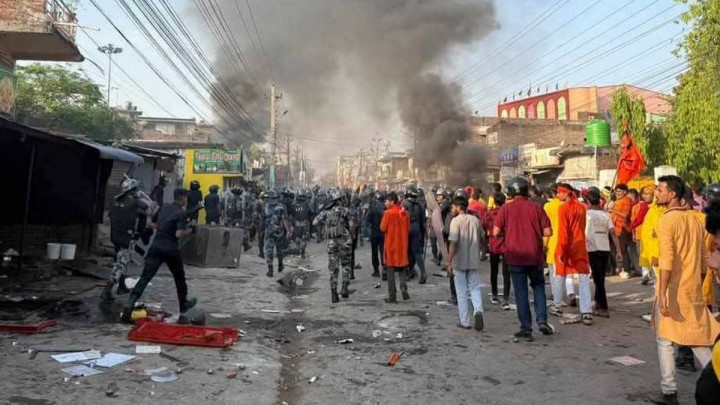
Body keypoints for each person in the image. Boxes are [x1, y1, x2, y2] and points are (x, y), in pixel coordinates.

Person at [648, 175, 720, 405]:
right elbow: (704, 260)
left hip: (673, 290)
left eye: (660, 189)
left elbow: (667, 260)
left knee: (665, 341)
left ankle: (669, 391)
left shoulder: (667, 220)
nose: (656, 193)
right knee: (698, 340)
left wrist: (662, 292)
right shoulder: (695, 220)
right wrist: (699, 283)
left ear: (672, 195)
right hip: (692, 289)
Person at [121, 188, 197, 323]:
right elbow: (178, 234)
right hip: (171, 249)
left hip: (156, 248)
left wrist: (162, 227)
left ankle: (130, 303)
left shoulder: (163, 208)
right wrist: (190, 230)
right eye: (186, 197)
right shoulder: (181, 212)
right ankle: (183, 305)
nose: (186, 199)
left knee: (145, 277)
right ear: (182, 198)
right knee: (179, 277)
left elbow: (150, 224)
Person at [493, 176, 555, 342]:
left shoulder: (505, 209)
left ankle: (526, 329)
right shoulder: (536, 207)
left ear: (510, 193)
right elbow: (548, 232)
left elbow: (495, 232)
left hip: (515, 256)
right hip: (534, 255)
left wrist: (510, 231)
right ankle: (542, 321)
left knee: (521, 293)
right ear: (526, 190)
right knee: (538, 287)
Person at [103, 178, 151, 301]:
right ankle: (107, 290)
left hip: (115, 236)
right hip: (126, 237)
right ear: (133, 190)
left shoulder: (116, 201)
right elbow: (146, 210)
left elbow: (111, 217)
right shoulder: (135, 203)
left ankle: (122, 286)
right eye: (136, 189)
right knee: (121, 263)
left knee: (119, 259)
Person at [550, 184, 593, 325]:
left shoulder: (562, 208)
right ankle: (586, 312)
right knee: (583, 277)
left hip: (566, 245)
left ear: (566, 193)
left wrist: (562, 251)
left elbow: (563, 231)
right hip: (579, 244)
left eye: (560, 192)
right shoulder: (582, 208)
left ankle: (557, 305)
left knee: (560, 275)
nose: (558, 195)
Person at [448, 195, 485, 331]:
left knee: (461, 291)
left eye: (453, 207)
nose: (452, 209)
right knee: (475, 288)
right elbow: (483, 237)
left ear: (459, 207)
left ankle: (464, 321)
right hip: (473, 260)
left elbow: (453, 243)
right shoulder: (475, 220)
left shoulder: (455, 221)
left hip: (459, 261)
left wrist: (449, 260)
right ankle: (478, 310)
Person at [313, 191, 356, 303]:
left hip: (331, 243)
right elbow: (351, 224)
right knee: (346, 264)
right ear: (340, 200)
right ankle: (345, 287)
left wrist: (325, 226)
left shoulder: (326, 212)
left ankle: (334, 294)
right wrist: (352, 234)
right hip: (344, 241)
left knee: (333, 268)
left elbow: (314, 222)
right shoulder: (346, 210)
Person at [585, 189, 622, 318]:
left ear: (588, 202)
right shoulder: (606, 215)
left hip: (592, 249)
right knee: (600, 278)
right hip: (605, 249)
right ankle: (597, 303)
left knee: (598, 280)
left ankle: (604, 308)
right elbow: (613, 233)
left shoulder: (586, 215)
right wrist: (618, 250)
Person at [545, 184, 575, 303]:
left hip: (552, 242)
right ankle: (570, 293)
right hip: (567, 242)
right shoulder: (568, 206)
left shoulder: (548, 206)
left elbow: (546, 227)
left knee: (554, 272)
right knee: (566, 271)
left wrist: (544, 244)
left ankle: (556, 296)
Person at [380, 192, 410, 303]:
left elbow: (382, 228)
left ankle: (392, 295)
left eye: (386, 201)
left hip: (391, 246)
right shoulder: (404, 213)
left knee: (390, 271)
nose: (385, 203)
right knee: (402, 268)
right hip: (402, 245)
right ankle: (403, 287)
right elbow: (408, 229)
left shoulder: (388, 213)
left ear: (392, 201)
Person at [484, 192, 510, 310]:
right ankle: (506, 297)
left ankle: (494, 294)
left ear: (494, 202)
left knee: (493, 271)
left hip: (494, 243)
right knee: (506, 272)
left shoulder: (490, 213)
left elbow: (485, 225)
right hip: (506, 244)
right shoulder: (507, 213)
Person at [611, 183, 640, 278]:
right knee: (624, 250)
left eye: (619, 191)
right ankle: (631, 269)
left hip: (623, 229)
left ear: (625, 192)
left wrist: (613, 210)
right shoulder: (618, 201)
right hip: (617, 229)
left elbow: (625, 215)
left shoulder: (626, 201)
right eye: (616, 191)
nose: (617, 193)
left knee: (623, 250)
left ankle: (627, 270)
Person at [263, 191, 291, 277]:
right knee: (279, 249)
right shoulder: (281, 206)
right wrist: (288, 231)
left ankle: (270, 269)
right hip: (278, 231)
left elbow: (262, 218)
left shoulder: (266, 206)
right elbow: (284, 219)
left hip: (269, 231)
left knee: (269, 250)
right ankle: (279, 265)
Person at [629, 185, 654, 285]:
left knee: (654, 255)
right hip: (642, 234)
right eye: (643, 194)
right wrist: (632, 229)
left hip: (656, 235)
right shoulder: (641, 206)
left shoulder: (659, 206)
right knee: (643, 255)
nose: (645, 196)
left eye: (647, 194)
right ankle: (645, 275)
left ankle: (655, 277)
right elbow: (637, 219)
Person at [403, 185, 427, 283]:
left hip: (406, 229)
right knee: (417, 253)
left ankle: (409, 271)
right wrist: (422, 234)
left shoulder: (403, 204)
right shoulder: (419, 206)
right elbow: (422, 222)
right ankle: (422, 271)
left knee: (408, 252)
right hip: (417, 229)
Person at [367, 191, 386, 278]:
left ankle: (376, 270)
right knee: (383, 252)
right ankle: (384, 269)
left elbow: (368, 219)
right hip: (383, 233)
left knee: (374, 253)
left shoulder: (373, 208)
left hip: (374, 233)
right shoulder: (385, 208)